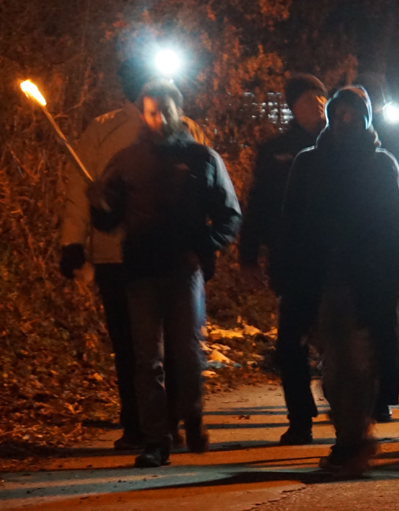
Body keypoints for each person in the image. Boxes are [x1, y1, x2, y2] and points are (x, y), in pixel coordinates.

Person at [59, 58, 211, 451]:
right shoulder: (103, 129)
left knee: (176, 348)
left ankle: (170, 421)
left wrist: (203, 245)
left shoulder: (187, 130)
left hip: (174, 259)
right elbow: (81, 188)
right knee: (132, 348)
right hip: (116, 257)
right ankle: (137, 423)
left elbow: (205, 191)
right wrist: (73, 241)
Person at [88, 80, 241, 468]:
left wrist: (202, 246)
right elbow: (109, 221)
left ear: (178, 111)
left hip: (183, 271)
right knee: (147, 359)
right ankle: (157, 439)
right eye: (152, 112)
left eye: (166, 111)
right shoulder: (126, 161)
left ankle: (192, 415)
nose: (159, 119)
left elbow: (229, 215)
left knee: (185, 354)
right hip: (140, 271)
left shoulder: (202, 159)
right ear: (143, 114)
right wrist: (99, 204)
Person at [276, 87, 399, 476]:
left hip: (363, 281)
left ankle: (352, 440)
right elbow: (291, 222)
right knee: (334, 364)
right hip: (318, 277)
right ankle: (350, 436)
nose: (345, 121)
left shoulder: (380, 165)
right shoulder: (309, 163)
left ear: (365, 119)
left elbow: (396, 227)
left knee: (351, 363)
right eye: (339, 114)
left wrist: (393, 280)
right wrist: (286, 275)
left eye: (353, 115)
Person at [239, 74, 327, 444]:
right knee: (290, 345)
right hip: (292, 263)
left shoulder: (341, 146)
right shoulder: (276, 151)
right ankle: (300, 417)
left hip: (334, 263)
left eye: (321, 98)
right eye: (308, 99)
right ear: (293, 107)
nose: (317, 105)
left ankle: (350, 412)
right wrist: (248, 254)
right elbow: (258, 203)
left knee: (338, 343)